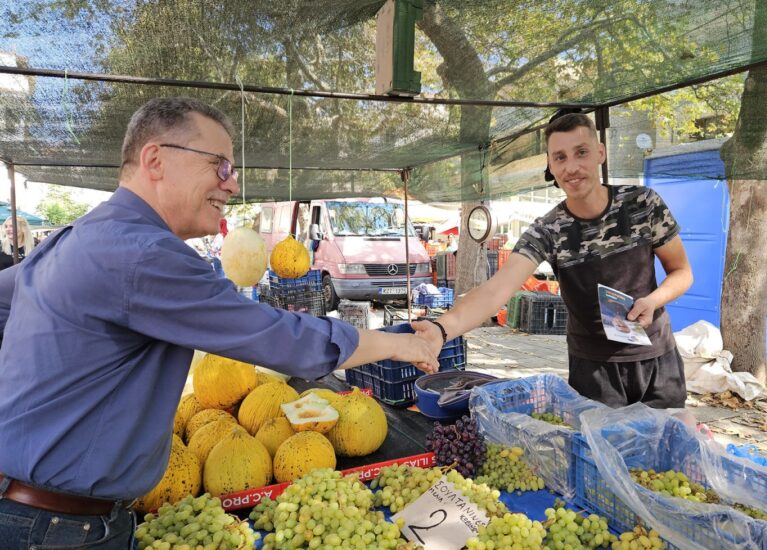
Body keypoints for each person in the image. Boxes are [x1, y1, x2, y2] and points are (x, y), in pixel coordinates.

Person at [0, 97, 438, 548]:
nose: (232, 185)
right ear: (155, 159)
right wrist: (397, 343)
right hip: (57, 529)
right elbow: (279, 338)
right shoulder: (145, 254)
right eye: (221, 167)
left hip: (34, 512)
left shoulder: (79, 238)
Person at [415, 112, 693, 409]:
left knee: (669, 447)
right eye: (559, 157)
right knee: (602, 452)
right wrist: (441, 329)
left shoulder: (643, 204)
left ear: (600, 153)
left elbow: (682, 272)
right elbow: (497, 288)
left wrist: (653, 301)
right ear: (550, 165)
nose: (571, 167)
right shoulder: (549, 229)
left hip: (657, 359)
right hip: (594, 370)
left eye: (581, 152)